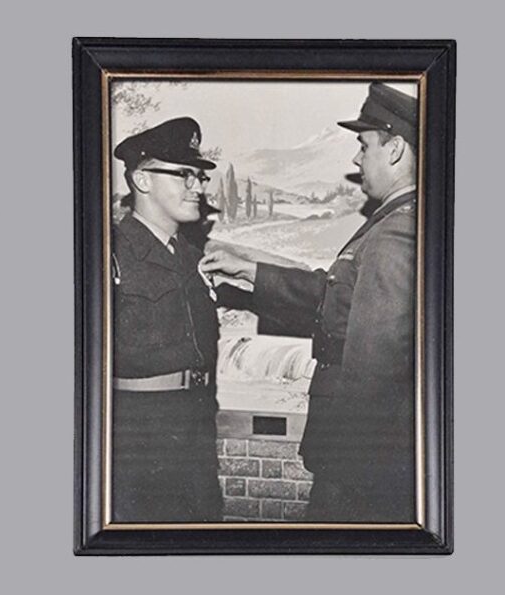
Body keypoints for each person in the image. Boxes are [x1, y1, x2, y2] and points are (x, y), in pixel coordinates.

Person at [200, 83, 418, 522]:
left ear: (394, 150)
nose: (357, 159)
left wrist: (355, 465)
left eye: (364, 145)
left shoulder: (396, 234)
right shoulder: (395, 223)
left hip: (357, 457)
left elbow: (375, 364)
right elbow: (334, 294)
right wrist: (251, 271)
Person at [110, 116, 223, 522]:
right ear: (142, 180)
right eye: (184, 175)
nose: (198, 187)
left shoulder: (192, 259)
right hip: (139, 440)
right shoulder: (111, 254)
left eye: (199, 177)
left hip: (196, 426)